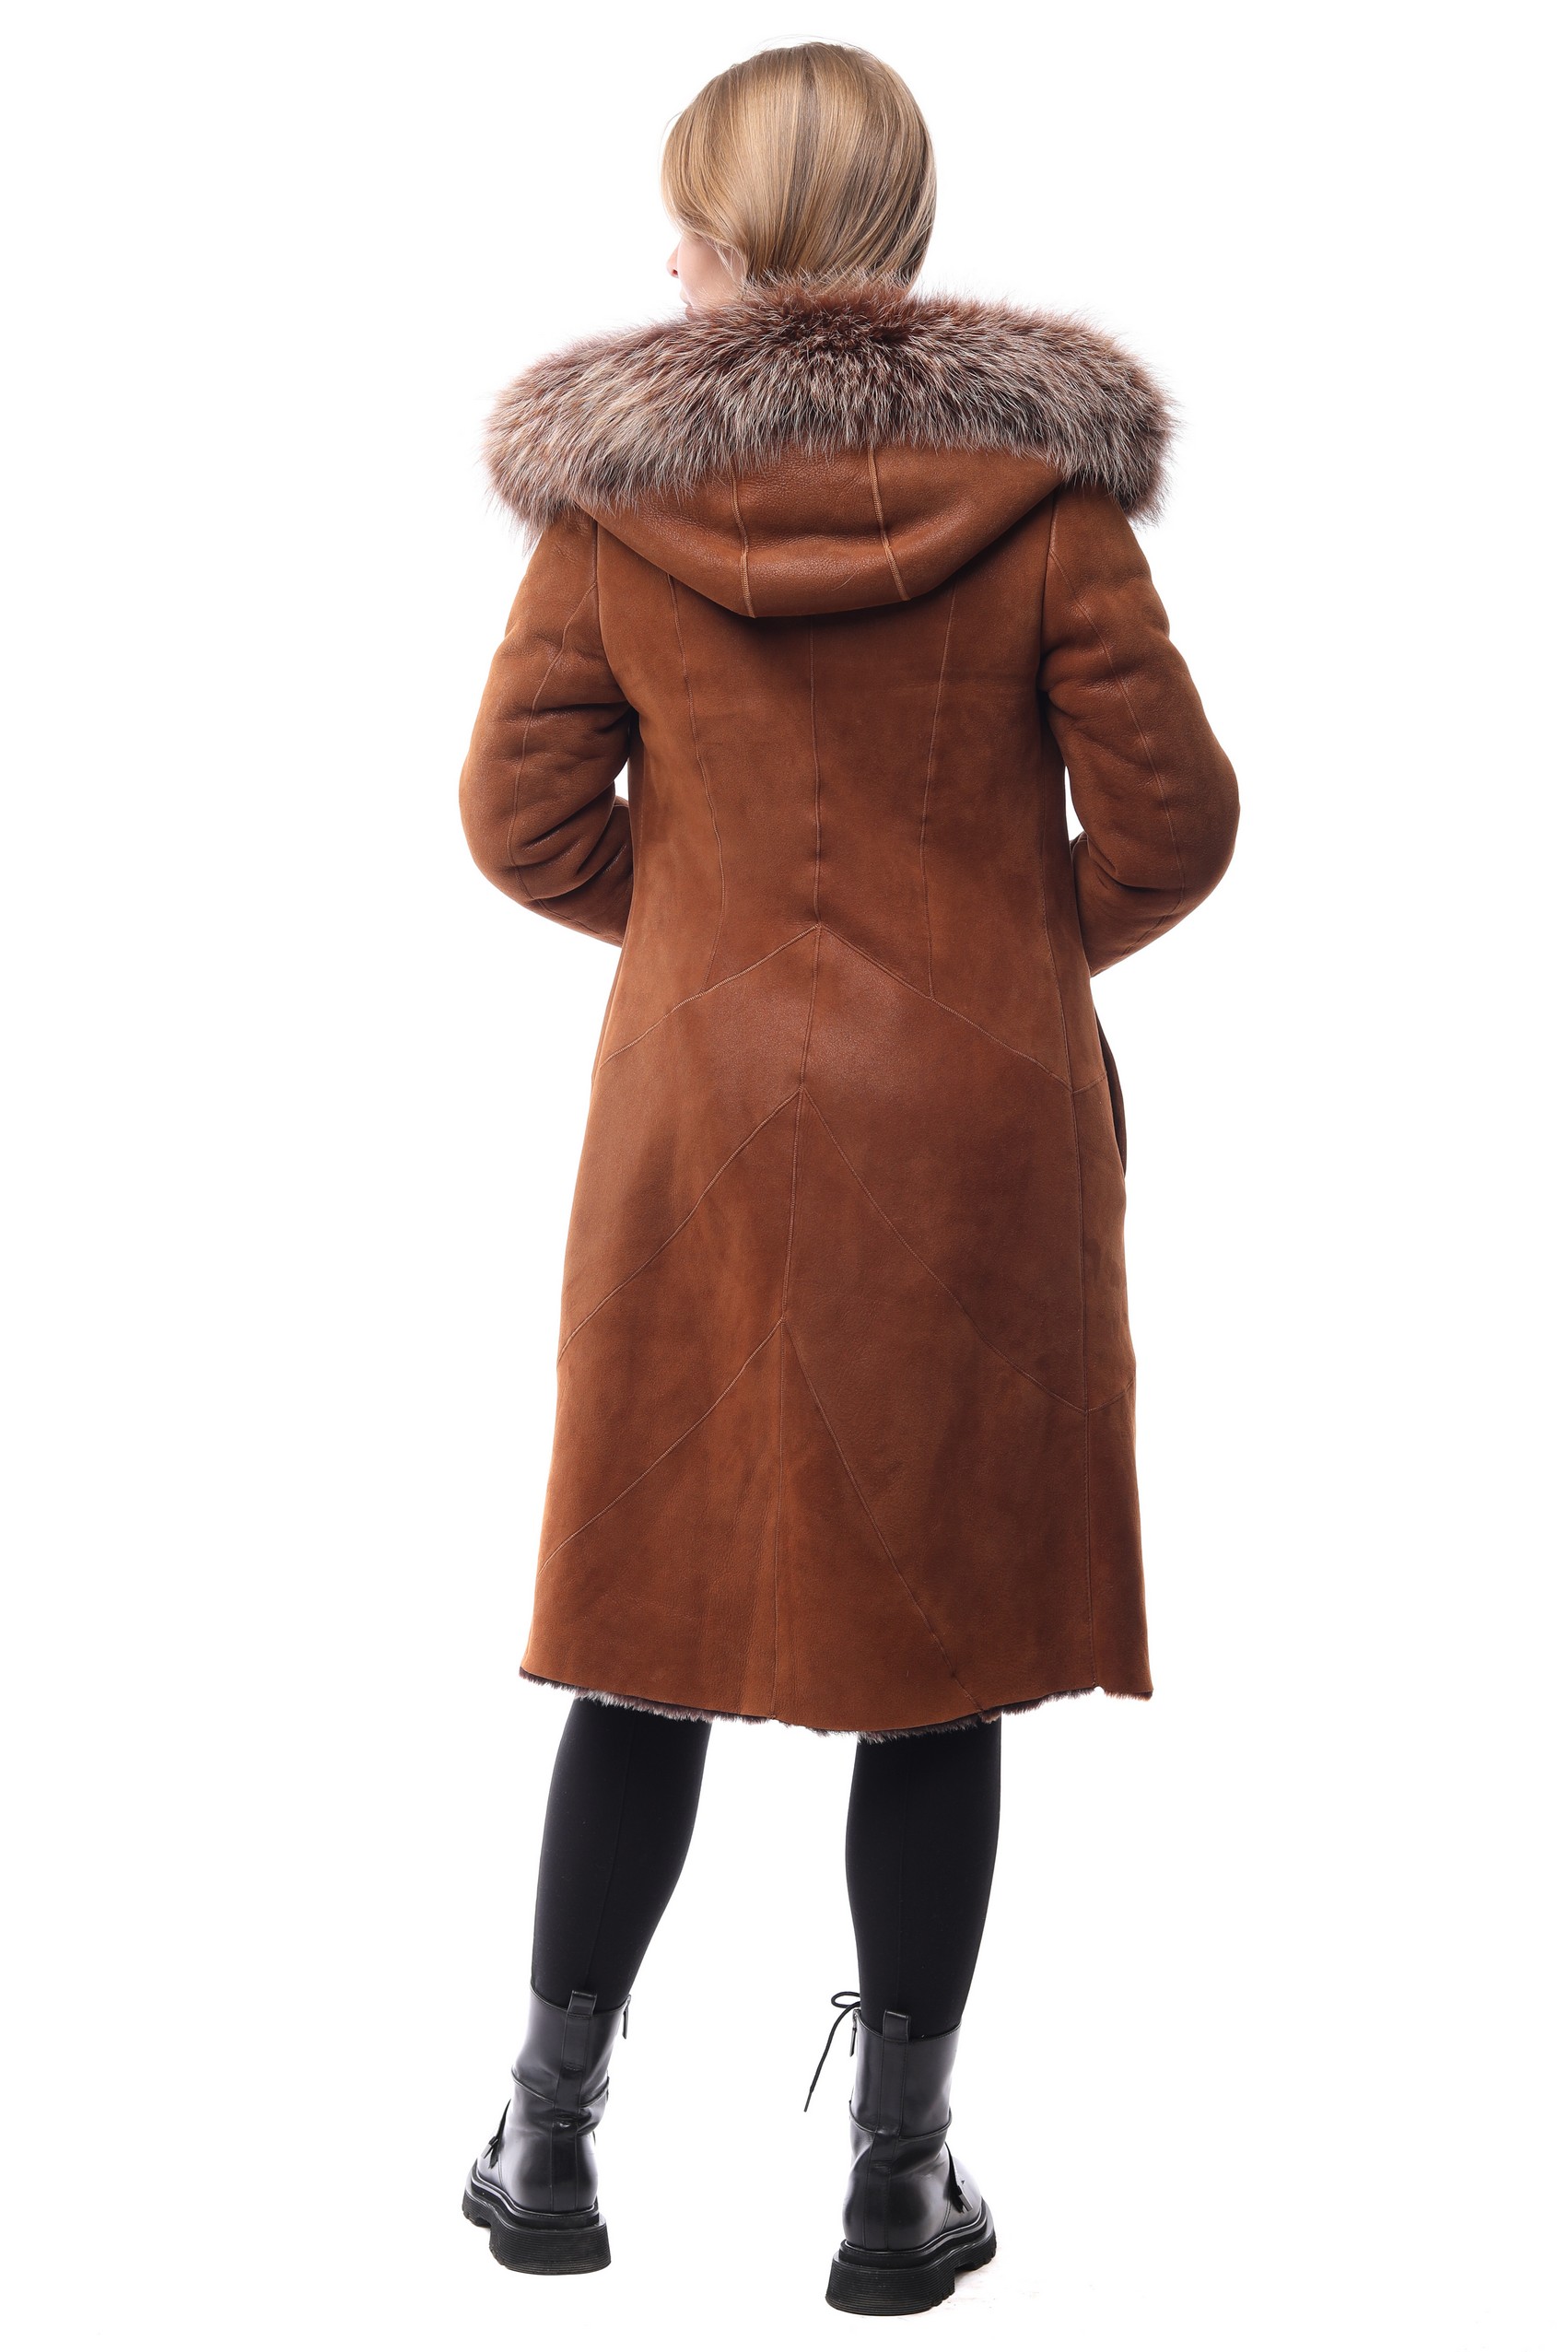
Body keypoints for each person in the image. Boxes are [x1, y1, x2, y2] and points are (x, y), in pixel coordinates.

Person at [455, 40, 1238, 2317]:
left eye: (680, 222)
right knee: (933, 1657)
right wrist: (984, 953)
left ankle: (547, 2133)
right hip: (970, 1146)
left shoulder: (607, 509)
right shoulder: (1046, 500)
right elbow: (1174, 824)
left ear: (728, 245)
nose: (660, 260)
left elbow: (518, 823)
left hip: (699, 1131)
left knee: (643, 1631)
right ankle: (897, 2185)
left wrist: (714, 942)